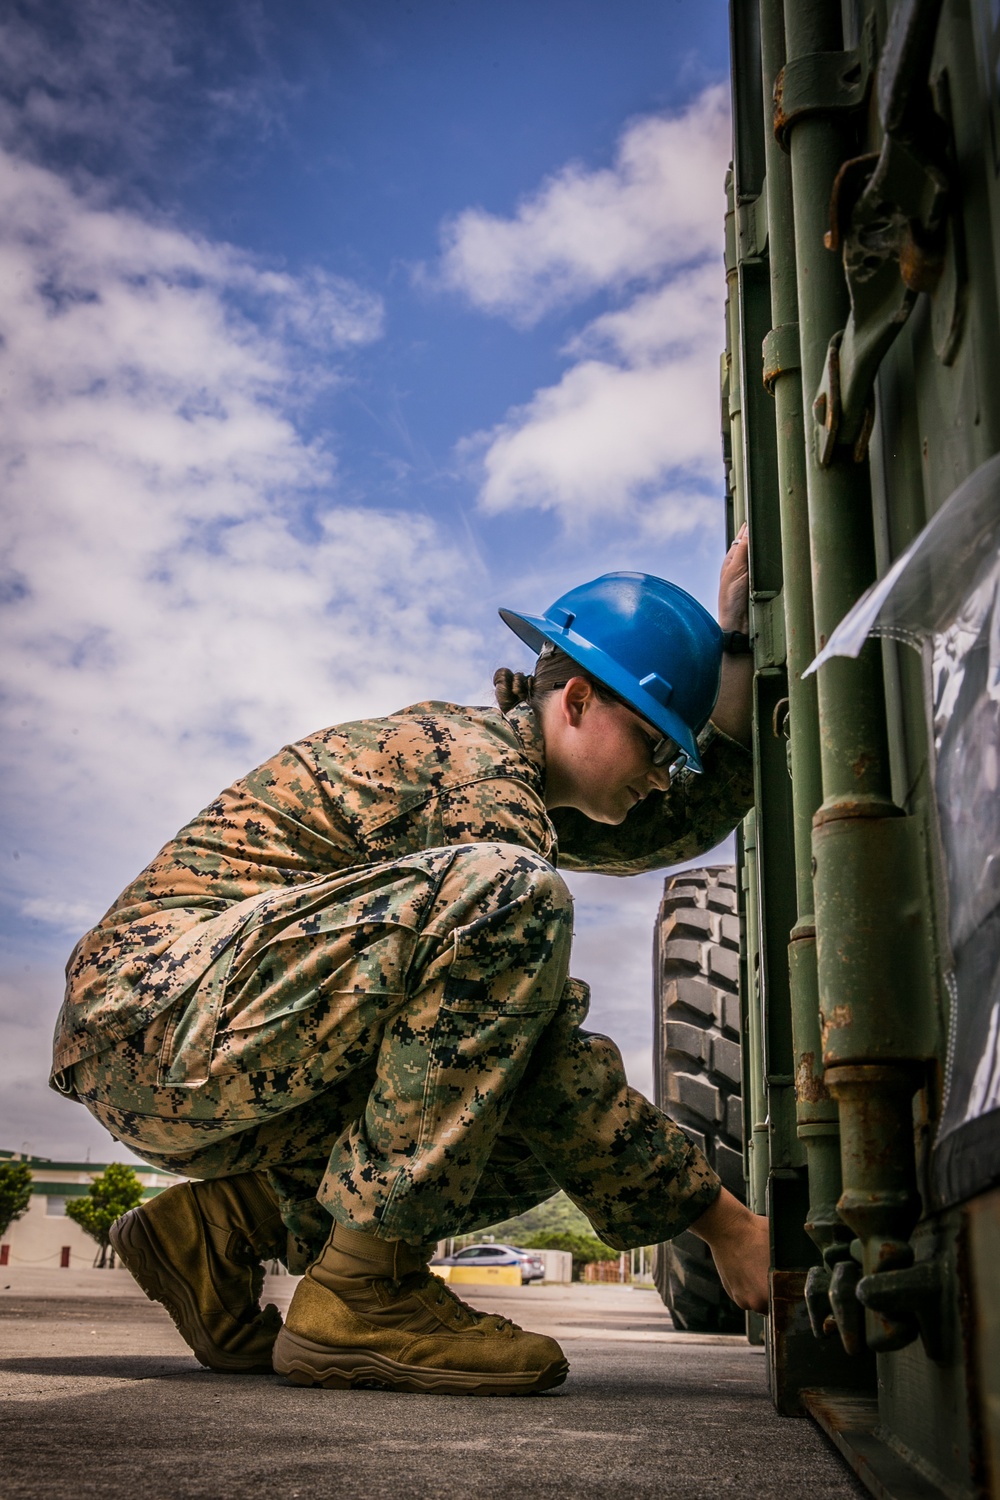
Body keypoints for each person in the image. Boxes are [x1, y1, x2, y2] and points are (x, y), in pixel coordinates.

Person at [50, 527, 768, 1396]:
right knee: (511, 900)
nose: (662, 776)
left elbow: (671, 822)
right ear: (576, 700)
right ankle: (363, 1297)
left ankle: (215, 1230)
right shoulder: (467, 773)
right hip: (155, 1012)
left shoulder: (515, 772)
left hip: (201, 1033)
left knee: (518, 1118)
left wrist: (733, 651)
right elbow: (543, 1059)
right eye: (655, 745)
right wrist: (726, 1225)